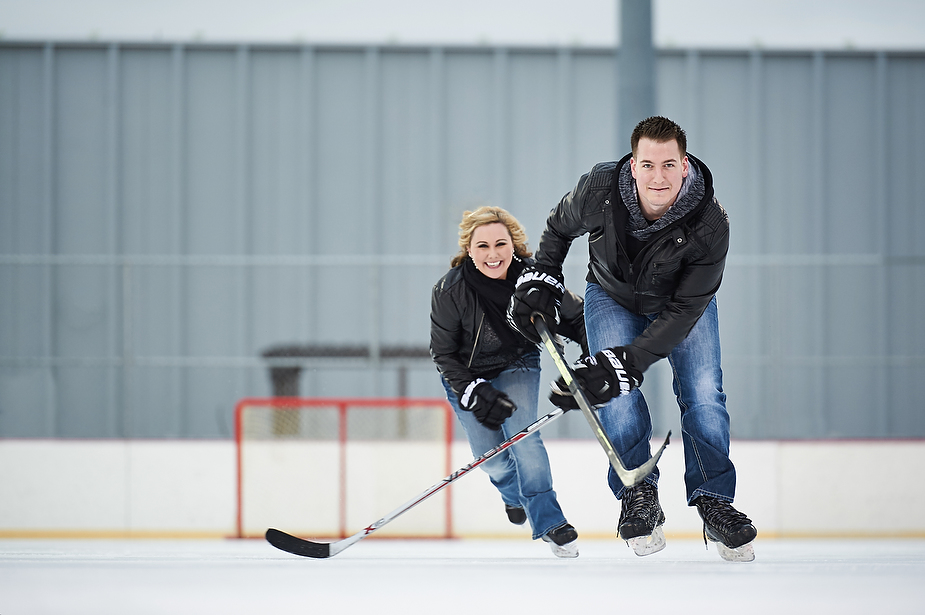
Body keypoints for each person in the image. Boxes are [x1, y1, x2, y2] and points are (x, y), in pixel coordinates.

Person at [507, 116, 758, 562]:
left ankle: (714, 500)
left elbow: (685, 311)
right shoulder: (600, 189)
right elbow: (558, 229)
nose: (657, 177)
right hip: (611, 295)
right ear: (633, 165)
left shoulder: (710, 224)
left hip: (683, 306)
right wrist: (543, 276)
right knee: (616, 397)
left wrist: (629, 363)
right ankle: (637, 493)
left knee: (704, 394)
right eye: (648, 164)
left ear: (684, 166)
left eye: (668, 164)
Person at [430, 206, 588, 558]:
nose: (492, 254)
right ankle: (512, 494)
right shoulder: (448, 290)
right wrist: (473, 390)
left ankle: (550, 522)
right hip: (466, 375)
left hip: (518, 363)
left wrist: (591, 363)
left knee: (523, 440)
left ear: (514, 246)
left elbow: (578, 319)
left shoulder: (533, 279)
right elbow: (443, 353)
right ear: (468, 250)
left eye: (500, 244)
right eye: (482, 246)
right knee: (491, 458)